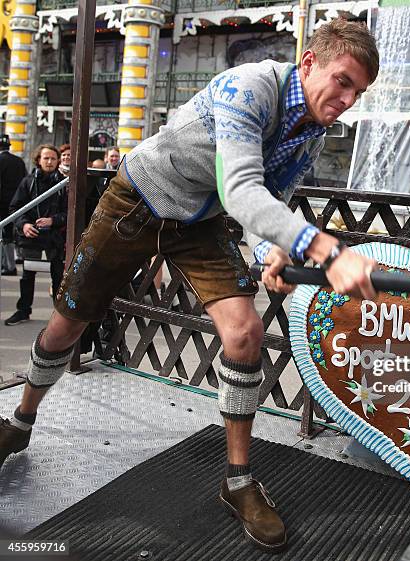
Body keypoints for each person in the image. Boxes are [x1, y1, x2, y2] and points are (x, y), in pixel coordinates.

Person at [0, 19, 379, 552]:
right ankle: (21, 420)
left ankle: (239, 481)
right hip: (138, 199)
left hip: (198, 225)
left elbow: (267, 201)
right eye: (342, 81)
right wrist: (324, 250)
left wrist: (274, 248)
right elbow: (242, 187)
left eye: (359, 92)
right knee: (67, 326)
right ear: (310, 62)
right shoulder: (250, 86)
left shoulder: (312, 131)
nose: (347, 100)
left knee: (245, 333)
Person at [4, 145, 67, 326]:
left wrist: (53, 221)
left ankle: (59, 315)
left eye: (53, 158)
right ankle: (23, 310)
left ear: (58, 161)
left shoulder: (64, 183)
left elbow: (70, 213)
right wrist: (24, 225)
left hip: (54, 239)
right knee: (27, 276)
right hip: (31, 238)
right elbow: (15, 208)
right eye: (46, 158)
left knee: (57, 277)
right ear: (38, 160)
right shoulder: (28, 181)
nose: (49, 162)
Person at [0, 134, 27, 275]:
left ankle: (8, 266)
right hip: (17, 203)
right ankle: (17, 259)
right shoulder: (19, 161)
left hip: (2, 204)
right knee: (14, 232)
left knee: (4, 235)